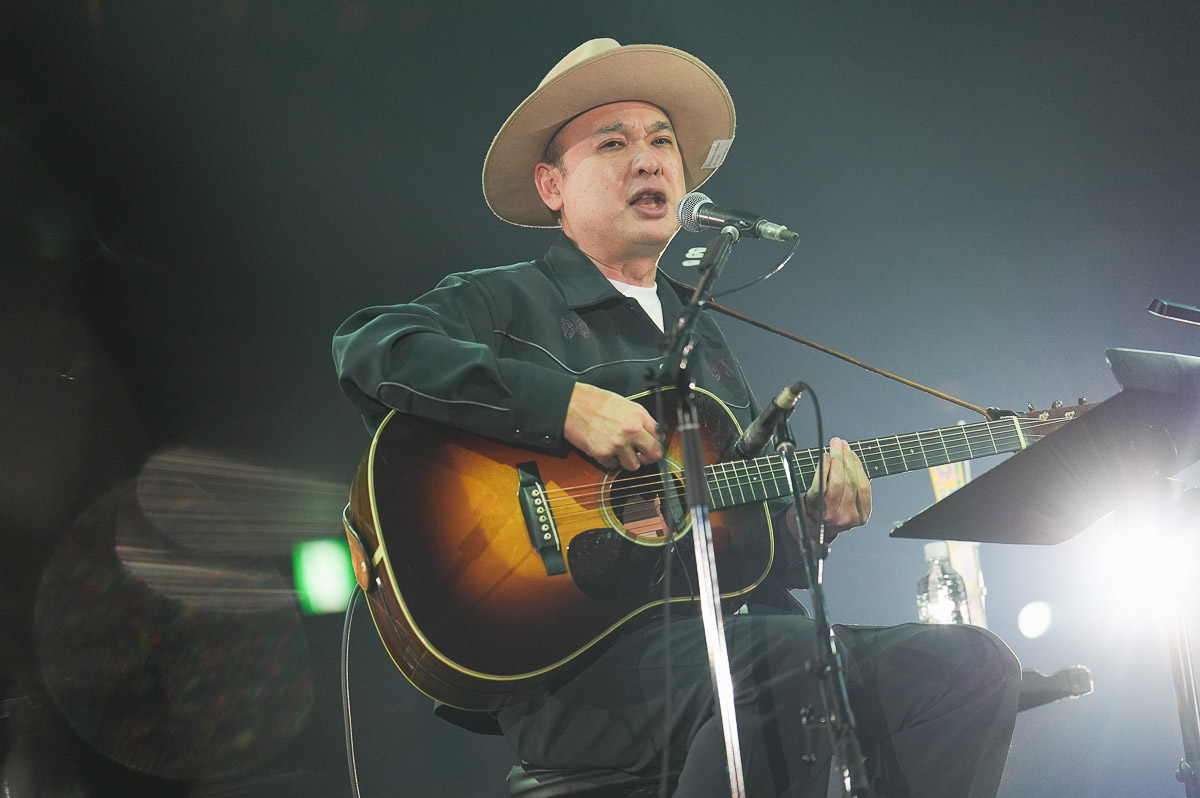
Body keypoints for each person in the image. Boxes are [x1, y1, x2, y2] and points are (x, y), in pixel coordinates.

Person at [333, 38, 1021, 798]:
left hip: (740, 641)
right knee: (787, 658)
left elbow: (744, 551)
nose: (648, 160)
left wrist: (810, 525)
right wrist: (561, 406)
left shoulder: (707, 345)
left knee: (971, 665)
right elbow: (369, 346)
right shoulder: (506, 298)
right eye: (613, 143)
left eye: (662, 142)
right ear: (552, 185)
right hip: (581, 671)